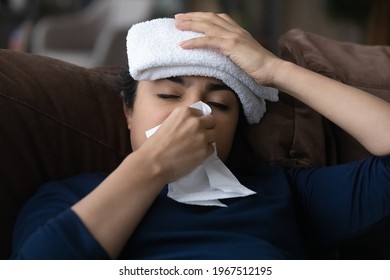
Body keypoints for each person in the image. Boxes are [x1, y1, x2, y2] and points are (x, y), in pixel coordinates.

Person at [11, 12, 390, 260]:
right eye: (169, 95)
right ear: (128, 112)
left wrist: (276, 71)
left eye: (221, 105)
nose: (194, 112)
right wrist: (152, 166)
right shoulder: (73, 196)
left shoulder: (281, 191)